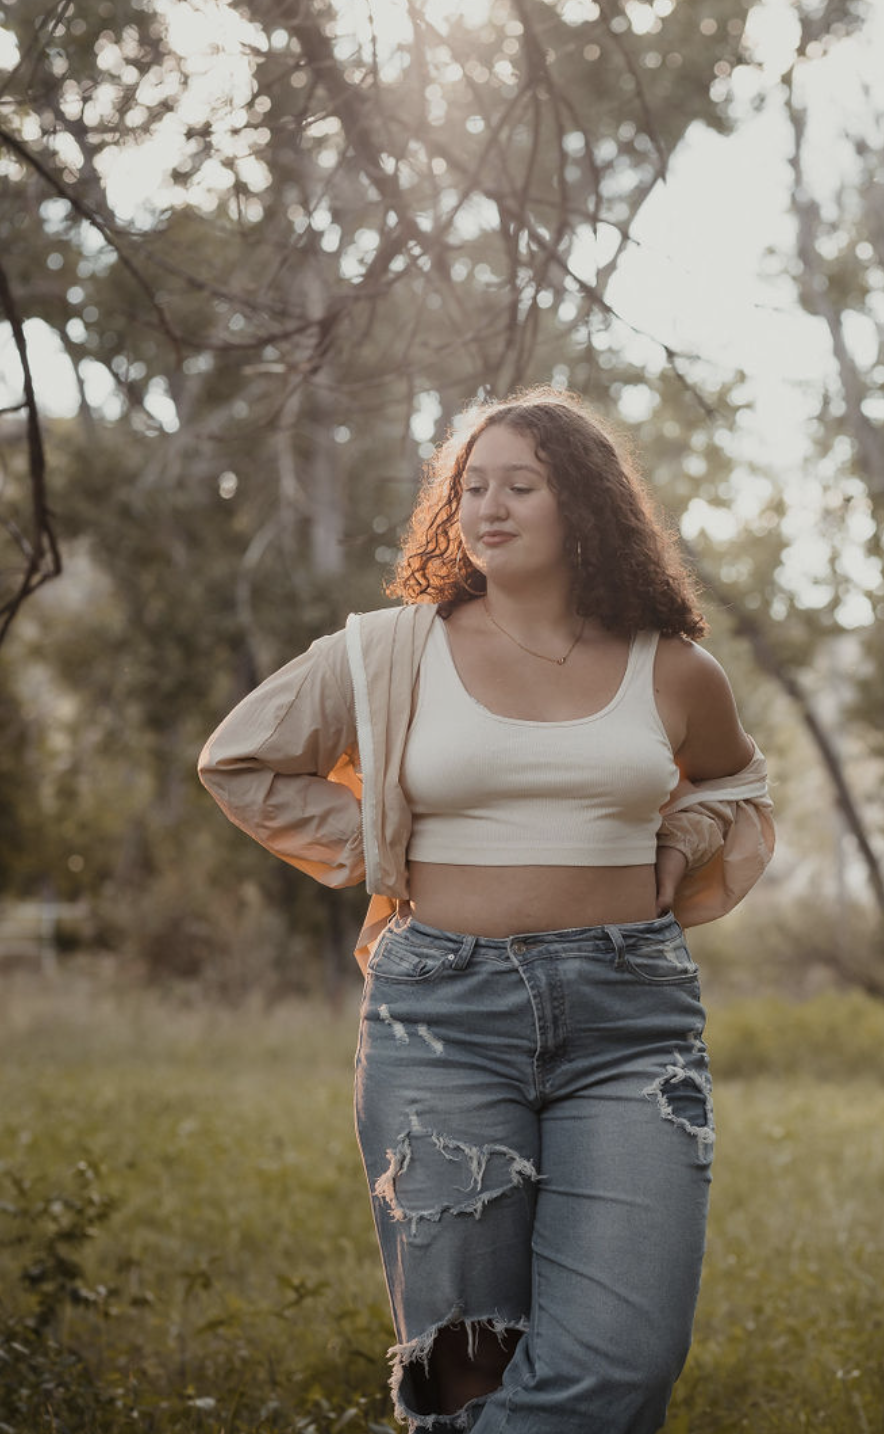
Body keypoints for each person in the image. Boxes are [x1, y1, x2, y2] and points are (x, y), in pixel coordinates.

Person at [198, 387, 774, 1433]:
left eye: (522, 484)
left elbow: (735, 787)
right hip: (442, 1022)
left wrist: (683, 836)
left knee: (626, 1368)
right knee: (467, 1370)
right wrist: (383, 846)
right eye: (472, 487)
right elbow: (239, 759)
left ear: (587, 508)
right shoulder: (391, 652)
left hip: (628, 1024)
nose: (489, 507)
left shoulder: (675, 667)